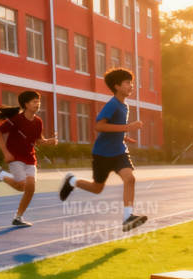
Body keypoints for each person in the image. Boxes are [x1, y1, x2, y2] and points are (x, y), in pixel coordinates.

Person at [59, 68, 148, 231]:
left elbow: (115, 127)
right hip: (102, 154)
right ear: (117, 86)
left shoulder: (124, 106)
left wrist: (123, 136)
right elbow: (99, 126)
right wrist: (127, 127)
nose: (131, 86)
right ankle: (72, 181)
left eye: (132, 82)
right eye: (127, 83)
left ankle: (127, 217)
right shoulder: (112, 104)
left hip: (119, 151)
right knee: (97, 188)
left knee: (130, 179)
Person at [0, 90, 57, 227]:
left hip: (30, 158)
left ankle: (18, 218)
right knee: (23, 186)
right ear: (26, 104)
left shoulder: (38, 121)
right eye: (34, 102)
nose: (38, 104)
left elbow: (38, 140)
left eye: (38, 101)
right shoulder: (16, 119)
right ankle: (0, 175)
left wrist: (49, 141)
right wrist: (6, 153)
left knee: (30, 188)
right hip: (15, 157)